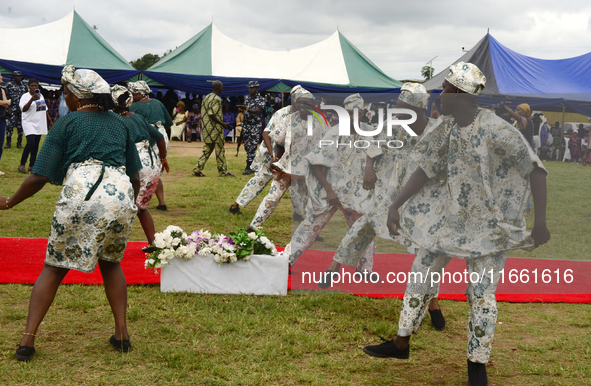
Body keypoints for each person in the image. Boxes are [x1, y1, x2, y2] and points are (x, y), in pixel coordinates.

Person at [362, 62, 550, 386]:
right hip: (447, 222)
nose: (439, 94)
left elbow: (535, 170)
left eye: (445, 89)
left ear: (461, 95)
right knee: (420, 274)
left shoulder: (496, 129)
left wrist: (541, 223)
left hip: (489, 228)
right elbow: (425, 168)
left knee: (481, 294)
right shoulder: (445, 128)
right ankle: (401, 342)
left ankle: (477, 364)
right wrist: (396, 204)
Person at [0, 65, 142, 362]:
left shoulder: (68, 122)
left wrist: (10, 202)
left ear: (77, 96)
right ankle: (122, 334)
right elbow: (136, 175)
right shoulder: (121, 124)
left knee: (54, 266)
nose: (65, 97)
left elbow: (40, 175)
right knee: (111, 263)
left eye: (66, 92)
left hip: (84, 194)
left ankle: (27, 341)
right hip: (120, 196)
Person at [313, 83, 445, 328]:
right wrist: (369, 169)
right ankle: (334, 267)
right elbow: (373, 147)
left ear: (417, 108)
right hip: (388, 186)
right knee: (364, 225)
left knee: (425, 248)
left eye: (402, 107)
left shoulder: (436, 130)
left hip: (418, 193)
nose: (397, 110)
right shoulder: (393, 125)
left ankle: (433, 303)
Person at [285, 94, 376, 273]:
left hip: (356, 193)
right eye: (348, 113)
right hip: (330, 191)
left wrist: (369, 168)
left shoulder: (369, 132)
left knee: (364, 229)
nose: (351, 117)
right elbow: (315, 163)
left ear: (363, 113)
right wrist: (329, 190)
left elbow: (376, 153)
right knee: (310, 226)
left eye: (355, 113)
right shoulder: (334, 133)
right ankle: (286, 261)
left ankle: (365, 270)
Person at [229, 85, 305, 215]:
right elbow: (266, 133)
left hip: (286, 155)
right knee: (260, 180)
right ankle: (235, 206)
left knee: (296, 183)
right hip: (270, 153)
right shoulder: (282, 113)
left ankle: (298, 213)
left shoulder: (304, 114)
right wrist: (273, 156)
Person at [111, 85, 169, 246]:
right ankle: (153, 243)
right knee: (140, 207)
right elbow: (159, 137)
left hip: (134, 165)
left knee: (124, 206)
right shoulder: (138, 117)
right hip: (151, 165)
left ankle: (114, 244)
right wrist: (163, 158)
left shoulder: (115, 121)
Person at [128, 81, 172, 211]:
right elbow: (168, 123)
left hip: (147, 137)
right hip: (162, 136)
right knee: (156, 170)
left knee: (141, 170)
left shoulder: (134, 107)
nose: (131, 96)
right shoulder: (158, 103)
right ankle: (161, 202)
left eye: (133, 93)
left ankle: (137, 200)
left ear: (139, 94)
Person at [192, 81, 234, 177]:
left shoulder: (206, 97)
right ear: (219, 88)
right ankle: (223, 172)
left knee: (207, 149)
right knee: (220, 150)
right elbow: (211, 114)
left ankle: (197, 169)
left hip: (206, 128)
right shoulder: (216, 99)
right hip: (215, 129)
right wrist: (222, 123)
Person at [18, 78, 48, 174]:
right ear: (28, 87)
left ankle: (32, 165)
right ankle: (22, 164)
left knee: (36, 144)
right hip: (28, 122)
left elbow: (43, 109)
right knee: (30, 142)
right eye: (32, 86)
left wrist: (50, 121)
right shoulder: (25, 96)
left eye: (36, 86)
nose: (34, 88)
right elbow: (24, 109)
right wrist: (31, 99)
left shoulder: (41, 96)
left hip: (39, 122)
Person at [237, 81, 265, 175]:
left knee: (252, 146)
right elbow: (246, 110)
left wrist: (246, 109)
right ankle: (253, 165)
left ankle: (249, 166)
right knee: (246, 146)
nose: (250, 89)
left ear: (256, 89)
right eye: (249, 88)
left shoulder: (261, 99)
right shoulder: (247, 98)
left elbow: (258, 111)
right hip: (246, 125)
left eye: (252, 88)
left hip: (254, 126)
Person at [4, 70, 27, 149]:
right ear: (13, 77)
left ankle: (19, 143)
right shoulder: (9, 85)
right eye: (17, 76)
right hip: (12, 109)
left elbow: (27, 97)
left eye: (20, 76)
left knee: (21, 126)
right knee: (10, 125)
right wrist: (7, 107)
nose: (19, 77)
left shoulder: (24, 85)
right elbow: (6, 97)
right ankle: (8, 143)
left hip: (21, 109)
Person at [0, 73, 12, 176]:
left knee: (0, 143)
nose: (2, 77)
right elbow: (5, 102)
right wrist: (3, 102)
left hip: (1, 118)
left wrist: (4, 102)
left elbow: (7, 103)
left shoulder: (2, 89)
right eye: (0, 75)